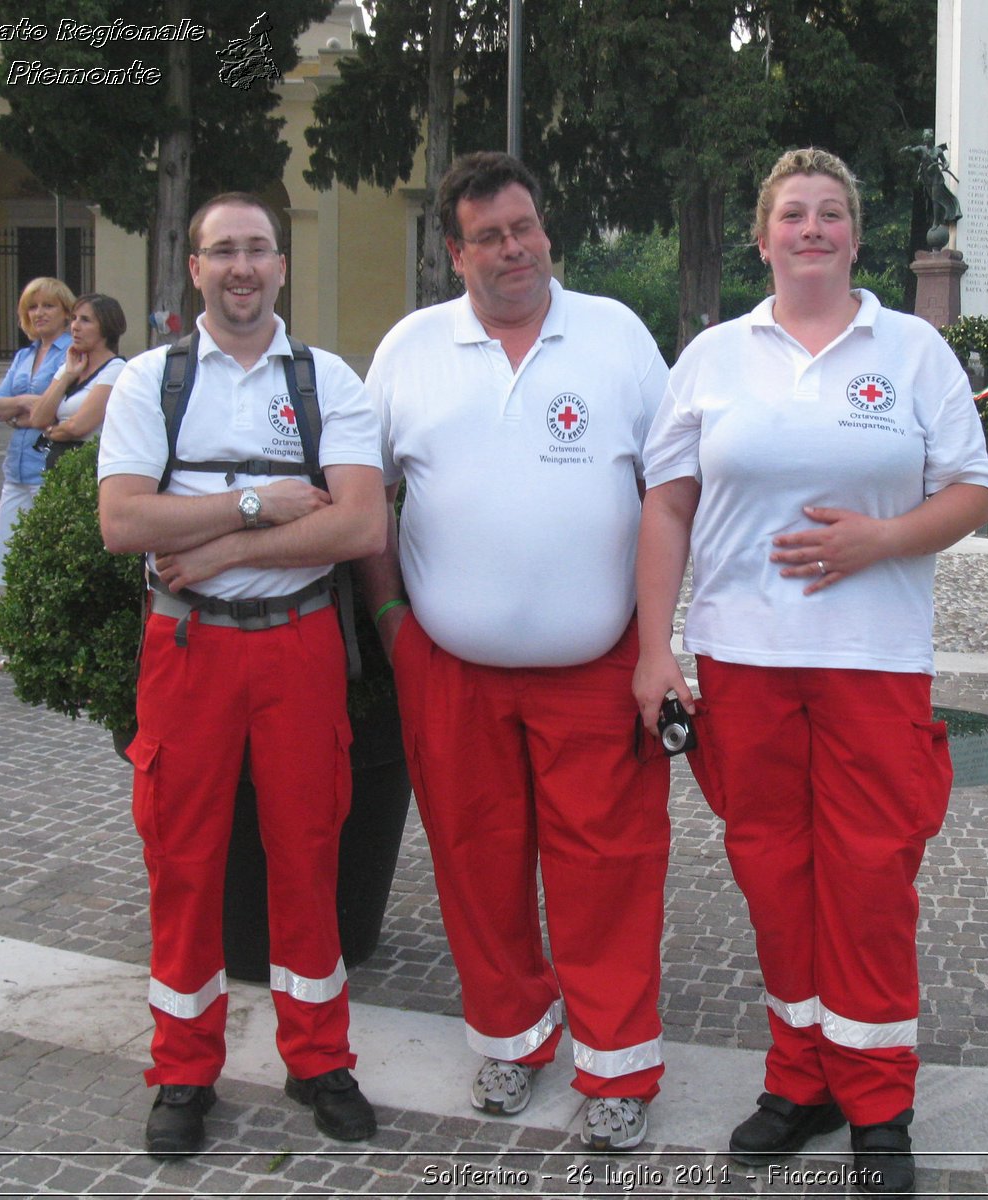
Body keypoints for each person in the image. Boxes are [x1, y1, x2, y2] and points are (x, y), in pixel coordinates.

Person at [633, 148, 988, 1195]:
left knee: (872, 879)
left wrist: (876, 541)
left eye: (830, 213)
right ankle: (801, 1081)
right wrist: (657, 648)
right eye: (791, 214)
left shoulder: (914, 349)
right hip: (744, 660)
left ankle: (878, 1098)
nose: (810, 229)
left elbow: (969, 491)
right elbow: (666, 506)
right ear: (762, 238)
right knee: (774, 876)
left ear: (854, 234)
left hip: (872, 662)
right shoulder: (709, 357)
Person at [358, 151, 671, 1152]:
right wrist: (393, 622)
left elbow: (674, 496)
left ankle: (616, 1069)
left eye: (524, 227)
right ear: (454, 253)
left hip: (594, 666)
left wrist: (659, 644)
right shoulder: (408, 348)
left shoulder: (616, 337)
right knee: (474, 862)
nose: (513, 249)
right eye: (488, 235)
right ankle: (511, 1039)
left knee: (608, 869)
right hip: (450, 668)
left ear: (548, 233)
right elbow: (366, 505)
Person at [98, 192, 386, 1158]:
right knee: (183, 859)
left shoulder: (328, 379)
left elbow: (357, 524)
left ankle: (319, 1059)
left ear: (282, 263)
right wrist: (260, 500)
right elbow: (125, 523)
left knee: (309, 852)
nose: (242, 268)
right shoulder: (152, 380)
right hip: (188, 651)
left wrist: (217, 543)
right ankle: (183, 1071)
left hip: (298, 644)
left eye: (258, 249)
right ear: (194, 268)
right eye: (223, 251)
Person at [0, 277, 73, 585]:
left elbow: (59, 408)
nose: (39, 313)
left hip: (48, 468)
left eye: (48, 305)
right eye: (33, 307)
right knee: (7, 567)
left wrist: (29, 413)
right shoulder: (24, 356)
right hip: (16, 471)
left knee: (46, 569)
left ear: (66, 312)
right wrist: (25, 402)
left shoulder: (72, 353)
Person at [24, 293, 126, 471]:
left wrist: (49, 432)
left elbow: (77, 427)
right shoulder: (70, 366)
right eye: (73, 319)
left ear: (106, 328)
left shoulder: (116, 369)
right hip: (59, 466)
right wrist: (68, 377)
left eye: (85, 320)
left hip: (90, 467)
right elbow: (37, 417)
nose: (75, 327)